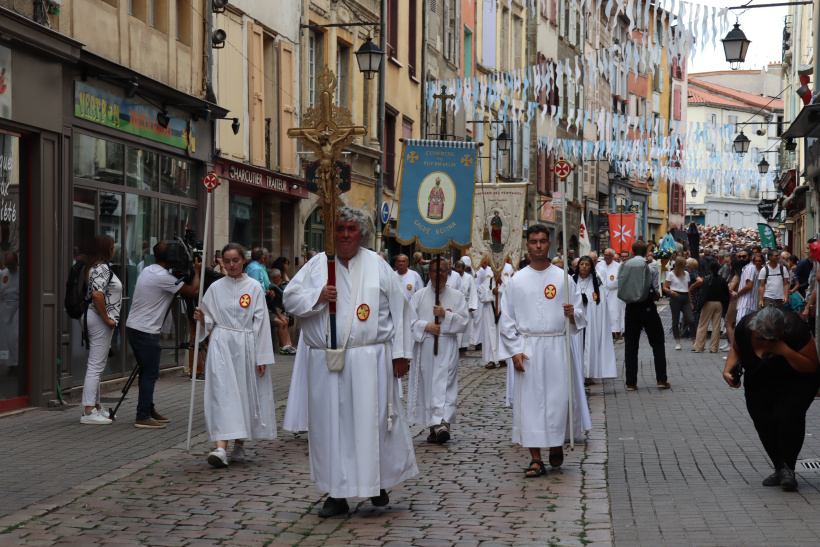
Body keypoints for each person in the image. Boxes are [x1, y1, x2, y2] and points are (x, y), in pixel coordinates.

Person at [284, 206, 418, 518]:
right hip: (329, 363)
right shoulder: (319, 265)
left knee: (374, 423)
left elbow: (400, 310)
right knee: (331, 425)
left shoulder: (378, 265)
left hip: (372, 359)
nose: (345, 234)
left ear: (362, 233)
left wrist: (401, 354)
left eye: (351, 229)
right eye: (340, 228)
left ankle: (377, 484)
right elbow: (290, 298)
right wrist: (318, 296)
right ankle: (337, 492)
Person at [498, 224, 591, 478]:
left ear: (549, 244)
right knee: (531, 404)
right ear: (527, 245)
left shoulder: (562, 278)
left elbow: (581, 315)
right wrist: (514, 350)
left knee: (558, 400)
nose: (538, 246)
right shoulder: (516, 280)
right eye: (533, 241)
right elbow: (506, 319)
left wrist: (573, 315)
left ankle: (557, 442)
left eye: (542, 241)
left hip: (557, 345)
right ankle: (536, 458)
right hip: (529, 347)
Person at [193, 243, 277, 467]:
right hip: (221, 345)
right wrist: (202, 318)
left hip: (246, 345)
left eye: (235, 261)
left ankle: (239, 443)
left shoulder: (254, 287)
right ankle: (221, 448)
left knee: (243, 393)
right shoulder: (215, 288)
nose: (231, 265)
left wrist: (262, 357)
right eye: (227, 261)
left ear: (243, 261)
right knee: (222, 394)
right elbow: (209, 320)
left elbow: (261, 324)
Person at [723, 307, 819, 491]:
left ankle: (787, 468)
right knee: (762, 419)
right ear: (754, 330)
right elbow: (736, 349)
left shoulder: (795, 328)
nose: (766, 343)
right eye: (761, 338)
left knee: (787, 416)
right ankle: (779, 467)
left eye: (772, 339)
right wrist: (728, 370)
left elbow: (812, 366)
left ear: (782, 331)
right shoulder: (744, 327)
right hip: (760, 380)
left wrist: (785, 351)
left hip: (797, 379)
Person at [125, 241, 200, 429]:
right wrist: (197, 271)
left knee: (146, 372)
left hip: (134, 327)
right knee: (150, 374)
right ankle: (142, 416)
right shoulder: (164, 278)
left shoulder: (149, 270)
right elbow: (192, 291)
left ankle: (148, 410)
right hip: (146, 331)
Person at [408, 258, 469, 443]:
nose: (439, 275)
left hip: (447, 346)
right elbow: (409, 322)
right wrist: (426, 326)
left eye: (443, 271)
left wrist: (445, 315)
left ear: (448, 271)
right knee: (429, 384)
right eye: (435, 271)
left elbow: (464, 322)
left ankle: (442, 423)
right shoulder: (418, 295)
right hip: (426, 346)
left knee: (445, 383)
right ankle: (433, 425)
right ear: (429, 273)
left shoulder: (457, 296)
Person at [80, 235, 123, 425]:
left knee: (97, 364)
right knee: (96, 365)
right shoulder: (102, 268)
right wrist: (107, 319)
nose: (114, 250)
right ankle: (89, 411)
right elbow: (96, 294)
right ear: (107, 250)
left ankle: (96, 406)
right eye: (112, 247)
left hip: (94, 318)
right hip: (99, 320)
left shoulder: (94, 267)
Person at [620, 241, 670, 391]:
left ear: (632, 251)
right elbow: (655, 286)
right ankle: (661, 379)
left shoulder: (624, 265)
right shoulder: (651, 266)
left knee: (630, 344)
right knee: (657, 342)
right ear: (646, 251)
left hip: (631, 306)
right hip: (647, 305)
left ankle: (630, 382)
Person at [572, 256, 617, 383]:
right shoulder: (572, 281)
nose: (584, 267)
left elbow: (601, 304)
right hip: (576, 320)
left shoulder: (597, 283)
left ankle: (588, 373)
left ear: (591, 267)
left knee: (589, 344)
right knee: (577, 344)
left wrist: (589, 302)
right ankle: (577, 373)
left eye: (587, 264)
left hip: (592, 320)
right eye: (582, 264)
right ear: (578, 266)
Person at [693, 262, 730, 353]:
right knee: (716, 326)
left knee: (702, 325)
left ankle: (699, 346)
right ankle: (714, 347)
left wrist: (698, 307)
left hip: (708, 303)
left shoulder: (707, 279)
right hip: (719, 304)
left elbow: (703, 294)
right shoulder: (722, 280)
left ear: (710, 269)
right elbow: (726, 294)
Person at [476, 258, 503, 369]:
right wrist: (491, 292)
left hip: (502, 312)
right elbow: (481, 296)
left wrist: (501, 288)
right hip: (489, 312)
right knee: (489, 335)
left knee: (502, 334)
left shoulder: (507, 281)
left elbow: (512, 295)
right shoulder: (487, 282)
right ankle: (491, 359)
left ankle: (502, 358)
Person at [663, 257, 695, 351]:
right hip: (675, 297)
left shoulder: (686, 274)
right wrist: (670, 292)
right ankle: (677, 341)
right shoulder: (671, 274)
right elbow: (664, 287)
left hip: (685, 297)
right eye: (685, 264)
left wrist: (691, 301)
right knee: (675, 321)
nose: (686, 265)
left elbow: (688, 289)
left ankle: (694, 340)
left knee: (691, 320)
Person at [596, 249, 623, 341]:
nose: (605, 257)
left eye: (607, 255)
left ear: (612, 256)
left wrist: (612, 285)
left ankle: (616, 331)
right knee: (604, 312)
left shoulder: (618, 266)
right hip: (602, 292)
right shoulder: (599, 265)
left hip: (614, 293)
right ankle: (606, 332)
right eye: (604, 255)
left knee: (615, 312)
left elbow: (620, 279)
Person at [0, 252, 20, 375]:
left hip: (17, 309)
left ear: (17, 262)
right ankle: (9, 364)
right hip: (5, 310)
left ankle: (18, 363)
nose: (9, 267)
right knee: (6, 340)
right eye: (7, 264)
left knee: (16, 338)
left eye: (12, 264)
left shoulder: (22, 273)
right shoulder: (3, 274)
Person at [268, 268, 296, 355]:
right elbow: (272, 306)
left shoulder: (274, 288)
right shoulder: (270, 287)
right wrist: (280, 316)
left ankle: (289, 344)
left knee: (285, 321)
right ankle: (284, 346)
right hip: (268, 312)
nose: (281, 279)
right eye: (279, 277)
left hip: (274, 311)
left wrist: (281, 316)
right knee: (281, 322)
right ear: (275, 278)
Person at [454, 260, 478, 355]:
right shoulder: (453, 277)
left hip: (465, 303)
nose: (458, 273)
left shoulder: (469, 278)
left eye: (460, 271)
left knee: (465, 325)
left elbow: (473, 291)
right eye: (457, 271)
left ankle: (463, 346)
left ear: (464, 269)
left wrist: (472, 305)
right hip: (455, 304)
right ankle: (455, 345)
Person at [736, 249, 759, 323]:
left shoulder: (750, 268)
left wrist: (737, 294)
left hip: (746, 303)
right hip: (748, 303)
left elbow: (749, 286)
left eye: (744, 256)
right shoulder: (747, 268)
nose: (741, 258)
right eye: (740, 257)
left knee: (740, 326)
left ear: (750, 257)